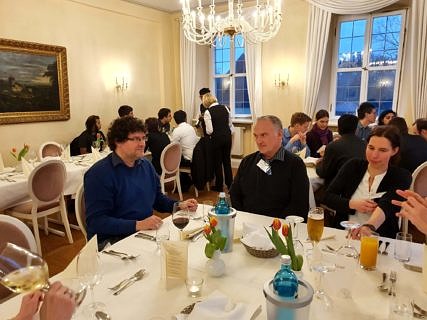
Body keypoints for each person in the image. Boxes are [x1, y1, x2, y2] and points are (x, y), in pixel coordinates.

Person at [84, 116, 197, 250]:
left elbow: (158, 199)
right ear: (118, 141)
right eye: (136, 139)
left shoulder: (145, 165)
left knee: (184, 249)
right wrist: (137, 225)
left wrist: (179, 205)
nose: (142, 143)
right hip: (112, 242)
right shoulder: (99, 174)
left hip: (143, 233)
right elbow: (96, 222)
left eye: (144, 138)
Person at [322, 126, 412, 238]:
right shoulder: (353, 166)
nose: (374, 155)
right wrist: (352, 204)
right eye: (371, 148)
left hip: (381, 238)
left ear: (394, 151)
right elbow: (328, 196)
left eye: (382, 150)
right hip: (345, 234)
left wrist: (368, 228)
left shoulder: (401, 176)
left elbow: (387, 205)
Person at [230, 115, 310, 219]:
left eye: (263, 135)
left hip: (279, 229)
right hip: (247, 224)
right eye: (256, 136)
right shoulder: (247, 162)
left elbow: (299, 206)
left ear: (280, 134)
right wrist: (244, 218)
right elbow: (234, 194)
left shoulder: (295, 165)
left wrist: (274, 226)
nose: (258, 141)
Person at [316, 114, 366, 188]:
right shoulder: (365, 145)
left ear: (338, 128)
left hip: (338, 189)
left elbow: (323, 173)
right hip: (361, 186)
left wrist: (319, 163)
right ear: (355, 129)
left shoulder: (333, 146)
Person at [203, 93, 234, 192]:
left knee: (218, 163)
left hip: (216, 139)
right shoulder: (225, 108)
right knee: (227, 162)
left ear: (205, 102)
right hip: (227, 137)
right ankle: (230, 184)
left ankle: (219, 186)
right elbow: (230, 124)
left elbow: (209, 131)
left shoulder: (208, 112)